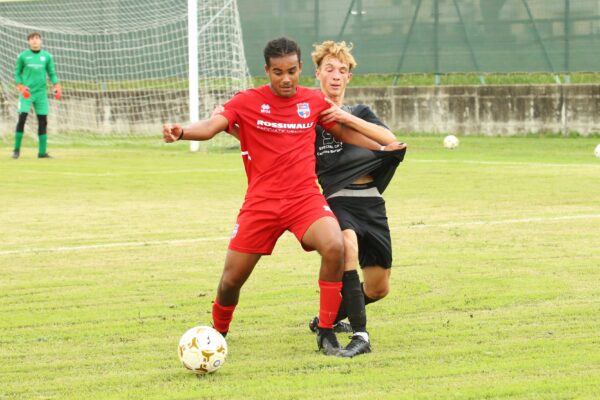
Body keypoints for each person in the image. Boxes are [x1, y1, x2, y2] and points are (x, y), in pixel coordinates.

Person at [163, 37, 402, 356]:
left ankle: (327, 333)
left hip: (304, 200)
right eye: (278, 72)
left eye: (291, 71)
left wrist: (383, 148)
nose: (286, 78)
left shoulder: (313, 102)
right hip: (261, 204)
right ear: (267, 71)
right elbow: (211, 127)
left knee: (334, 245)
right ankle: (218, 332)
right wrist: (182, 132)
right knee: (231, 280)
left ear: (301, 68)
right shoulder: (246, 101)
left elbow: (347, 134)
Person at [307, 40, 407, 357]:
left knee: (379, 287)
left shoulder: (360, 113)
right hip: (337, 201)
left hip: (371, 203)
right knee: (347, 245)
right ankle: (360, 337)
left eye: (343, 70)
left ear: (349, 77)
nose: (336, 76)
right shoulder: (308, 117)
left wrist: (346, 119)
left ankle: (330, 318)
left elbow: (391, 141)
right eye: (330, 69)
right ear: (318, 74)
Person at [12, 32, 61, 159]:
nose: (35, 41)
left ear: (41, 41)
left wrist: (56, 85)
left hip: (41, 94)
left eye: (37, 38)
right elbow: (17, 74)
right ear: (28, 41)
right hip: (27, 93)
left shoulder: (47, 56)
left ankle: (42, 153)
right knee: (22, 118)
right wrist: (21, 86)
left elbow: (52, 73)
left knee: (43, 121)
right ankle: (16, 150)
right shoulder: (23, 56)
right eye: (32, 39)